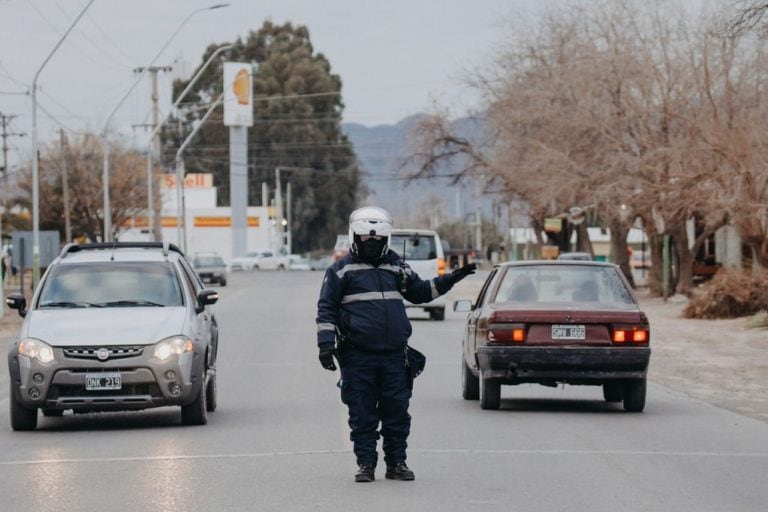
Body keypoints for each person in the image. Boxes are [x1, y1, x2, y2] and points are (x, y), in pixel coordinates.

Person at [316, 206, 477, 483]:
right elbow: (326, 308)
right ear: (356, 237)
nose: (372, 243)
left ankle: (397, 464)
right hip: (358, 356)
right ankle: (366, 464)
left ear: (386, 239)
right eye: (367, 239)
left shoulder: (397, 267)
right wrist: (325, 345)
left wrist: (453, 277)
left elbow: (422, 293)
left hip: (393, 356)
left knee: (397, 413)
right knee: (362, 413)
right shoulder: (341, 270)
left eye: (377, 239)